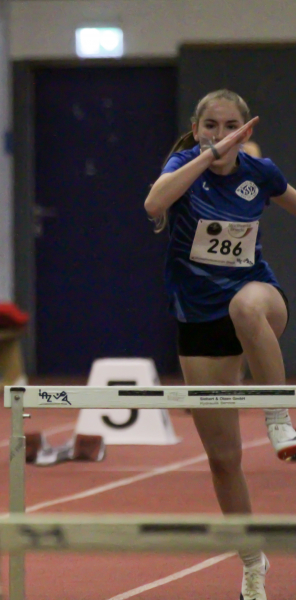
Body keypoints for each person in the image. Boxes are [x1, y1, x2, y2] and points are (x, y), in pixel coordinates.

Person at [144, 89, 296, 600]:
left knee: (246, 306)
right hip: (199, 323)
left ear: (246, 129)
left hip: (257, 300)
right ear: (198, 127)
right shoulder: (187, 164)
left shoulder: (261, 173)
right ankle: (253, 563)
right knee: (223, 459)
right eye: (211, 125)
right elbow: (153, 203)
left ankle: (278, 417)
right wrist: (208, 154)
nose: (221, 132)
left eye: (231, 125)